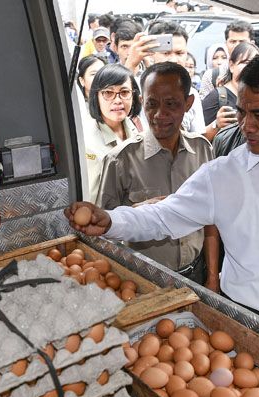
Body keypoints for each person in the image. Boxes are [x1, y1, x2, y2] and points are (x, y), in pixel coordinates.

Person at [69, 52, 259, 362]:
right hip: (249, 331)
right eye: (242, 112)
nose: (246, 125)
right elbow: (164, 216)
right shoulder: (223, 175)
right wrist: (109, 220)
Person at [95, 62, 213, 283]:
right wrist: (139, 211)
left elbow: (211, 221)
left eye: (171, 104)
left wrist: (212, 278)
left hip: (196, 272)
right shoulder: (120, 160)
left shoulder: (202, 149)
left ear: (188, 104)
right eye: (152, 104)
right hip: (144, 277)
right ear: (142, 102)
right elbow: (104, 228)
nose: (160, 114)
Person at [126, 21, 207, 136]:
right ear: (151, 53)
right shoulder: (134, 87)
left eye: (179, 53)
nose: (174, 59)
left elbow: (197, 137)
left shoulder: (191, 93)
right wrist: (130, 63)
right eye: (166, 53)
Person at [82, 64, 142, 203]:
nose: (117, 100)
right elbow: (90, 199)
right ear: (96, 96)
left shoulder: (134, 129)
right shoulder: (87, 141)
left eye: (124, 92)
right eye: (108, 93)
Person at [201, 42, 259, 127]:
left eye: (255, 63)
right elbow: (198, 136)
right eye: (245, 62)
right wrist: (216, 125)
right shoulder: (216, 97)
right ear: (231, 65)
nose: (250, 67)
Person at [199, 20, 253, 98]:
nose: (237, 46)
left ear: (252, 43)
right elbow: (205, 108)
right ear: (226, 44)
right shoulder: (212, 76)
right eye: (233, 41)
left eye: (242, 42)